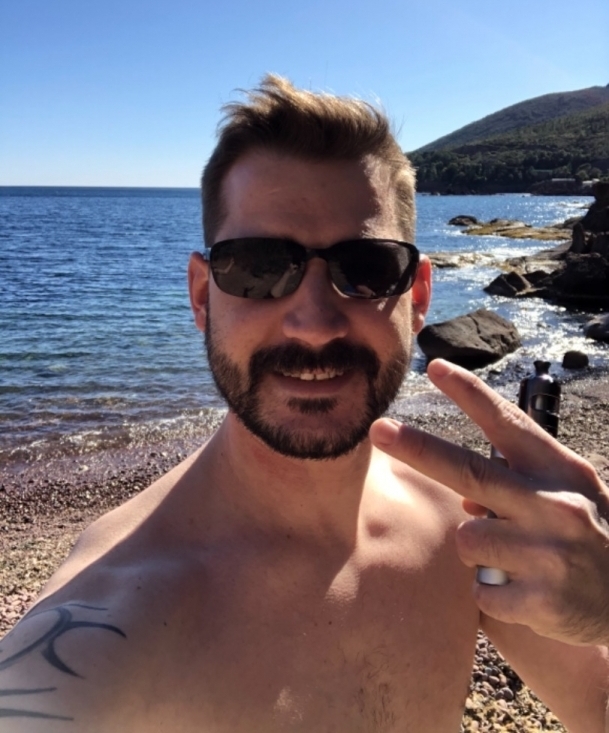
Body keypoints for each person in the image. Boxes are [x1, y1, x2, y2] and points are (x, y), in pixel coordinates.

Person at [1, 75, 609, 733]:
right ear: (202, 297)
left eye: (366, 268)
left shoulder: (463, 529)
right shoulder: (107, 630)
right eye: (258, 267)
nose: (314, 324)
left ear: (417, 296)